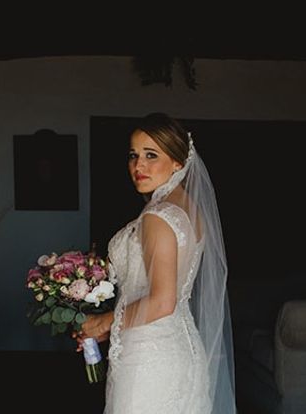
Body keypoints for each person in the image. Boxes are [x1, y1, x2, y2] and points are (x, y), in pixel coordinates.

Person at [75, 113, 236, 413]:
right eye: (133, 155)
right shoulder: (189, 211)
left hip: (150, 360)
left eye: (151, 155)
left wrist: (104, 321)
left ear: (178, 162)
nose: (139, 166)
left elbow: (163, 301)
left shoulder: (157, 216)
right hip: (178, 346)